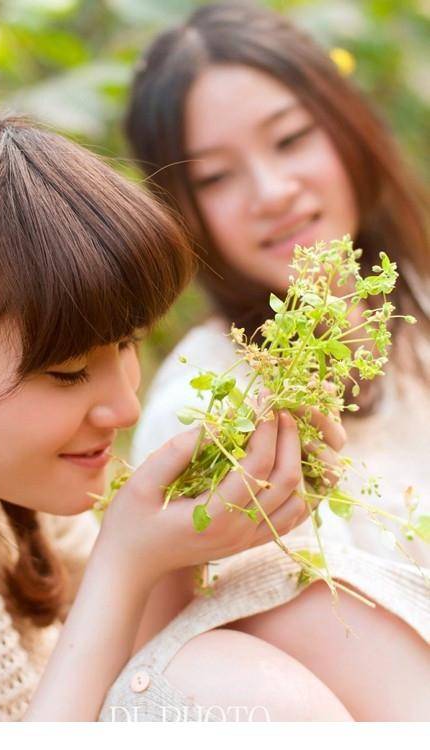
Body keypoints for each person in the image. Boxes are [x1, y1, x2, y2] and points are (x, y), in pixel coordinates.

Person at [0, 100, 353, 722]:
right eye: (67, 372)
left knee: (301, 600)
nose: (125, 407)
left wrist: (170, 549)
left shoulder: (15, 499)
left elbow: (126, 682)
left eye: (129, 342)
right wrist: (126, 561)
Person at [110, 0, 430, 721]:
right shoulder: (209, 404)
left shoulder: (418, 314)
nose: (271, 193)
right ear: (180, 211)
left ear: (348, 129)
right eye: (217, 178)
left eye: (288, 140)